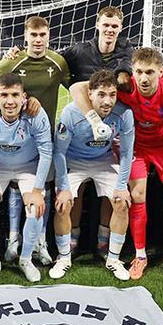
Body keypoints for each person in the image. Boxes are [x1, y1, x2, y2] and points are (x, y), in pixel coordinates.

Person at [69, 46, 163, 283]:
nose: (143, 78)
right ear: (132, 71)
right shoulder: (126, 86)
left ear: (161, 71)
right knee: (137, 195)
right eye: (139, 71)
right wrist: (92, 118)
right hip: (137, 148)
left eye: (149, 72)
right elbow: (77, 87)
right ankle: (140, 256)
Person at [0, 16, 72, 265]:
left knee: (41, 190)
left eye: (42, 35)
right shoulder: (15, 60)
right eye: (33, 35)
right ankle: (14, 240)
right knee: (16, 186)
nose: (38, 40)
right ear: (26, 36)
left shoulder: (57, 62)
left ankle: (39, 242)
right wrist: (5, 60)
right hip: (16, 137)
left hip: (45, 138)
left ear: (49, 35)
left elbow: (77, 89)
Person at [49, 69, 134, 281]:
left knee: (122, 202)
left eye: (112, 94)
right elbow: (58, 152)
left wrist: (122, 185)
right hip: (73, 160)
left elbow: (126, 153)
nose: (107, 101)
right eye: (101, 94)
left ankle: (113, 259)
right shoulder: (70, 113)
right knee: (62, 204)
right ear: (90, 94)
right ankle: (64, 257)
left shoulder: (124, 114)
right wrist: (64, 187)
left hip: (103, 160)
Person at [0, 73, 53, 283]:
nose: (10, 101)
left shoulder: (36, 114)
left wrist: (36, 191)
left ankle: (25, 260)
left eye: (15, 95)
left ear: (24, 97)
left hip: (28, 167)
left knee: (35, 209)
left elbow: (46, 152)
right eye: (4, 95)